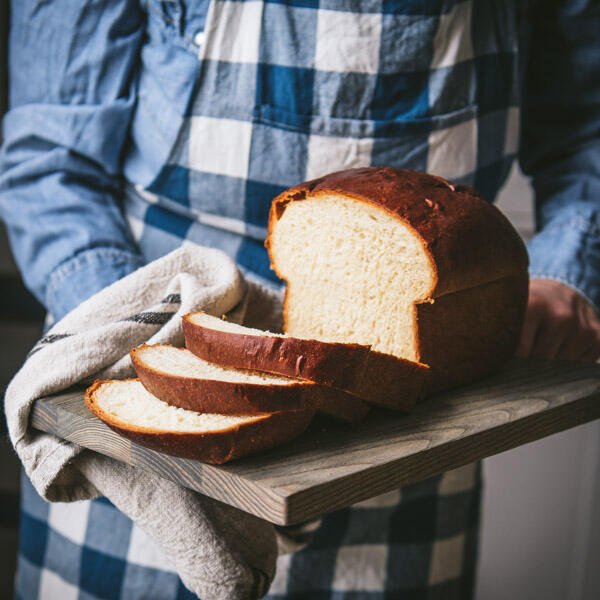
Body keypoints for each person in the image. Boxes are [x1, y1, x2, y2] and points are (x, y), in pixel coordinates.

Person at [1, 1, 599, 598]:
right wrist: (134, 338)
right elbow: (53, 163)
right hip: (139, 467)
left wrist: (563, 271)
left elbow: (587, 129)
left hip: (416, 444)